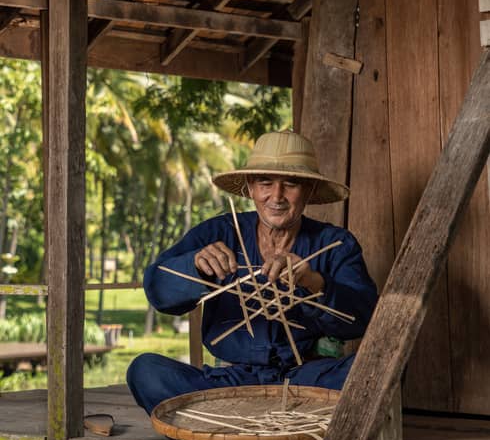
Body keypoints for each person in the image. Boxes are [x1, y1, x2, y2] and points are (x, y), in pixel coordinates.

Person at [127, 131, 377, 415]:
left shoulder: (335, 244)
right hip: (230, 384)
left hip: (308, 381)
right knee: (146, 371)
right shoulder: (218, 232)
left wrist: (313, 282)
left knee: (379, 367)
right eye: (265, 183)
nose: (277, 196)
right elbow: (158, 291)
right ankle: (285, 425)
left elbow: (361, 320)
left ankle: (226, 426)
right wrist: (195, 266)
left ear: (308, 190)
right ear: (250, 187)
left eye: (291, 184)